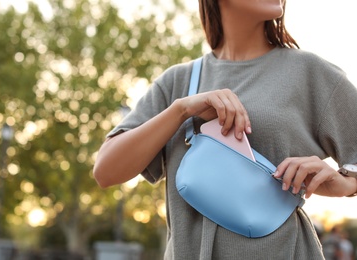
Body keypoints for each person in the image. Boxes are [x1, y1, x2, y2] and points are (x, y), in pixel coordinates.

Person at [94, 0, 357, 259]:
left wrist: (344, 184)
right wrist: (181, 111)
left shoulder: (309, 72)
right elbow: (106, 171)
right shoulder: (178, 81)